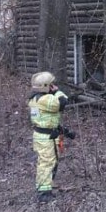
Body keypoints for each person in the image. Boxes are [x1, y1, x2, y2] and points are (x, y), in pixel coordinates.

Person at [28, 71, 70, 203]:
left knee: (49, 161)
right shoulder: (45, 99)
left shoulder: (35, 98)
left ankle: (47, 185)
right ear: (47, 86)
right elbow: (63, 102)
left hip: (44, 135)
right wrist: (57, 91)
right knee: (46, 163)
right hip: (46, 137)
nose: (53, 85)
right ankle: (44, 193)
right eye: (51, 84)